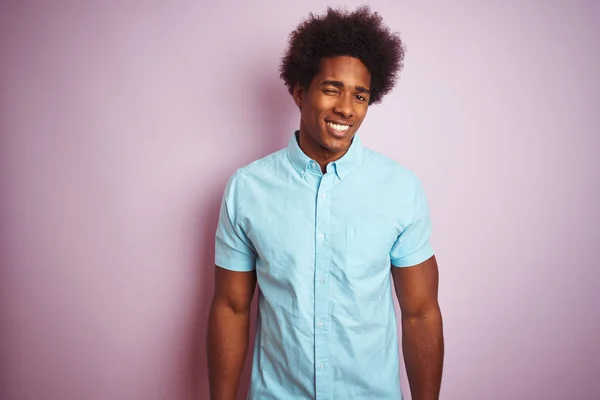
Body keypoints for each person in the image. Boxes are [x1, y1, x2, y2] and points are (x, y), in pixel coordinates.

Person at [207, 6, 444, 400]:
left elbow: (420, 312)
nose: (346, 108)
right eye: (332, 88)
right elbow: (230, 307)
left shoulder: (400, 189)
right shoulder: (247, 190)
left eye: (360, 95)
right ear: (300, 92)